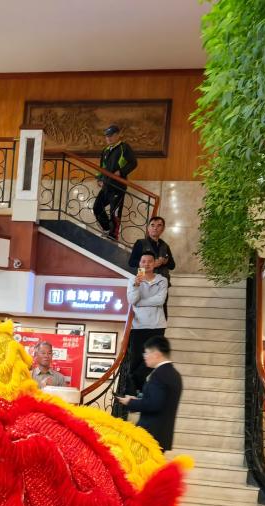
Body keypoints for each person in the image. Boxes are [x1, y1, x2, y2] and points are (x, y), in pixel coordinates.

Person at [117, 336, 182, 451]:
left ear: (156, 354)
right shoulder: (175, 374)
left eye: (146, 353)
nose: (144, 356)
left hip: (150, 435)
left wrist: (130, 402)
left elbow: (153, 404)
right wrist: (137, 400)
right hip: (161, 435)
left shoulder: (159, 374)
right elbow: (159, 401)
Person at [125, 253, 168, 394]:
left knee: (154, 357)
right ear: (139, 264)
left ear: (154, 263)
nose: (146, 264)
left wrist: (140, 303)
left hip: (157, 325)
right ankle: (135, 391)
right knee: (136, 359)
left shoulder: (162, 280)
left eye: (150, 261)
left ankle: (133, 385)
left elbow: (160, 300)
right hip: (139, 325)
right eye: (143, 261)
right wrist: (136, 285)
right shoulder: (133, 280)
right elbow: (132, 300)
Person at [93, 124, 138, 239]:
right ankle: (107, 228)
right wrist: (99, 178)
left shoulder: (124, 147)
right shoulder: (105, 150)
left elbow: (133, 163)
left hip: (118, 187)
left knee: (115, 212)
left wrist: (121, 172)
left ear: (118, 135)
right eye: (106, 136)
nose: (108, 138)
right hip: (106, 186)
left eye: (111, 135)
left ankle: (113, 237)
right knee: (97, 207)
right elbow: (102, 167)